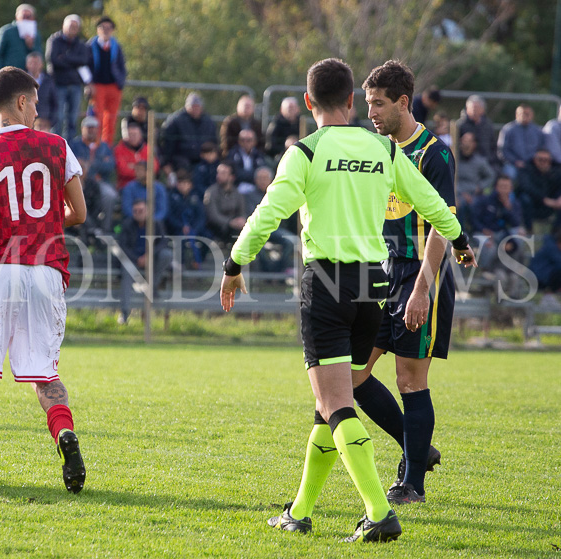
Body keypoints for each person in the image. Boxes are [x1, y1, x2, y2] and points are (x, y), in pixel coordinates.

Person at [220, 58, 475, 542]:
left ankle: (379, 513)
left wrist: (235, 264)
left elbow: (268, 212)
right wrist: (460, 240)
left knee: (337, 404)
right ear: (352, 101)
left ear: (308, 102)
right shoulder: (384, 148)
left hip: (327, 285)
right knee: (327, 405)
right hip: (372, 287)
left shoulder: (305, 152)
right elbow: (432, 203)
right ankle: (299, 511)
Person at [0, 66, 87, 490]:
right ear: (21, 101)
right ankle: (64, 433)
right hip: (46, 272)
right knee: (45, 375)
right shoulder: (57, 146)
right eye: (35, 103)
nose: (37, 112)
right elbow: (79, 213)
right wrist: (45, 222)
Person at [350, 60, 459, 507]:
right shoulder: (377, 151)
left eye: (378, 103)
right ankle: (419, 448)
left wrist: (422, 289)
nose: (370, 112)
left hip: (421, 275)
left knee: (409, 379)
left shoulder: (434, 153)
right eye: (367, 103)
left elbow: (442, 225)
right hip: (383, 274)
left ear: (403, 102)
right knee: (353, 375)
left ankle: (412, 483)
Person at [116, 198, 172, 325]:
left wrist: (149, 256)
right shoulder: (127, 224)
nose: (138, 213)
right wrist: (137, 259)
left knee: (167, 255)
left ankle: (151, 286)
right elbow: (123, 246)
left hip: (152, 260)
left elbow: (163, 242)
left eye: (141, 210)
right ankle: (124, 314)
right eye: (135, 211)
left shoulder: (156, 224)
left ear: (148, 210)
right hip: (132, 260)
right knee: (126, 272)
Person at [45, 14, 90, 139]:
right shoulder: (54, 40)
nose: (72, 29)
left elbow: (84, 60)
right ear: (64, 26)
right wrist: (74, 63)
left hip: (75, 85)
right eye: (70, 26)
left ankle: (69, 146)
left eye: (75, 27)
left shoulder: (81, 44)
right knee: (58, 117)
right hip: (58, 84)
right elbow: (53, 59)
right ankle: (55, 144)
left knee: (72, 118)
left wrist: (64, 58)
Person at [471, 174, 526, 272]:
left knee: (519, 235)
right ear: (496, 187)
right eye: (501, 186)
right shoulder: (485, 201)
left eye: (506, 187)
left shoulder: (514, 204)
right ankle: (486, 271)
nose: (504, 190)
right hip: (484, 233)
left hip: (502, 233)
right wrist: (483, 229)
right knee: (490, 247)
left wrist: (508, 208)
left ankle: (511, 271)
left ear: (511, 189)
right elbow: (474, 220)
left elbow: (516, 223)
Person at [86, 16, 126, 145]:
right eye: (103, 27)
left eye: (109, 28)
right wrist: (89, 83)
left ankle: (107, 146)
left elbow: (121, 66)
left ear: (112, 30)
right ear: (98, 29)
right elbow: (85, 65)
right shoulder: (91, 46)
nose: (106, 30)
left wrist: (121, 82)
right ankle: (95, 145)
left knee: (111, 119)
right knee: (97, 117)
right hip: (97, 86)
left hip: (114, 86)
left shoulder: (116, 47)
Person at [160, 92, 218, 172]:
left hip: (204, 160)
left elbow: (214, 143)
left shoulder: (208, 122)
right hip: (182, 160)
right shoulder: (175, 121)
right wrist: (167, 163)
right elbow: (168, 146)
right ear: (187, 106)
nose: (196, 109)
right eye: (193, 106)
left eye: (198, 106)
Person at [166, 169, 208, 269]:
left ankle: (198, 261)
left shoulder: (196, 197)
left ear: (190, 185)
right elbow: (169, 216)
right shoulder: (171, 197)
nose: (183, 186)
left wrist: (195, 228)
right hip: (177, 229)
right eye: (181, 183)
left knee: (208, 237)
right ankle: (181, 264)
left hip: (194, 228)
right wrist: (181, 226)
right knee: (180, 239)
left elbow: (201, 216)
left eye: (186, 183)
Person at [455, 131, 495, 232]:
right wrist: (460, 193)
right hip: (457, 193)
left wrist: (480, 187)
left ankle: (478, 232)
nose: (466, 144)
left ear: (474, 144)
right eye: (464, 140)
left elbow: (491, 176)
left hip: (474, 194)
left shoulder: (479, 161)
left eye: (469, 141)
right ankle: (461, 234)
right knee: (460, 205)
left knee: (477, 205)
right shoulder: (454, 158)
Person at [516, 148, 561, 232]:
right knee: (525, 198)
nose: (543, 162)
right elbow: (526, 187)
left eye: (546, 160)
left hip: (551, 203)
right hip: (534, 202)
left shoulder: (556, 169)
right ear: (534, 160)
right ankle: (528, 229)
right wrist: (544, 199)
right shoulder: (526, 168)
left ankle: (556, 232)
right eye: (540, 159)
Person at [497, 104, 545, 180]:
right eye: (522, 114)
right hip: (512, 164)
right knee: (509, 175)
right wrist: (515, 161)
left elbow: (541, 149)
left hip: (532, 164)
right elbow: (502, 150)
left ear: (532, 115)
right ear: (516, 115)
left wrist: (535, 160)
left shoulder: (537, 131)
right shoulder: (508, 130)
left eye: (527, 114)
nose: (524, 116)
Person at [203, 161, 245, 244]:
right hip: (217, 229)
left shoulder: (237, 193)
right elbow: (213, 216)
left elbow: (242, 211)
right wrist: (230, 222)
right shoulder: (211, 192)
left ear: (232, 177)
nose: (218, 176)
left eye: (223, 173)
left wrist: (241, 220)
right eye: (218, 173)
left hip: (235, 227)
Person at [0, 3, 41, 72]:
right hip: (10, 74)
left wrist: (31, 46)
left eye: (28, 16)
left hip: (28, 75)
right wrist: (1, 74)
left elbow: (39, 56)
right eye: (23, 16)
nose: (26, 19)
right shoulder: (7, 31)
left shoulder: (36, 34)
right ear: (17, 16)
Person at [456, 95, 498, 168]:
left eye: (476, 108)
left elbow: (493, 146)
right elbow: (455, 146)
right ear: (467, 109)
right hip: (466, 162)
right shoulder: (460, 125)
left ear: (482, 110)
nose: (474, 110)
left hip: (487, 161)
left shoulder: (488, 125)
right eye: (472, 108)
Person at [114, 121, 155, 190]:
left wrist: (133, 167)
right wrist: (143, 171)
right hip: (126, 185)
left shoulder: (147, 149)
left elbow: (154, 167)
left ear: (140, 135)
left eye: (135, 134)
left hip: (146, 185)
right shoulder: (119, 149)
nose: (133, 137)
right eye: (130, 135)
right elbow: (123, 170)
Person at [25, 52, 58, 130]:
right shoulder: (21, 81)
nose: (34, 65)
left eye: (36, 63)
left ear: (41, 64)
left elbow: (55, 102)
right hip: (26, 123)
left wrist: (51, 121)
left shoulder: (49, 80)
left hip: (44, 123)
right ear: (27, 65)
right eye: (31, 63)